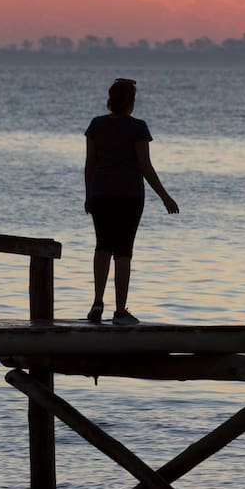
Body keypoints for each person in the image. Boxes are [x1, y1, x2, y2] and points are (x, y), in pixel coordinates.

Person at [84, 78, 179, 325]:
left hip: (100, 193)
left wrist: (88, 195)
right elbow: (145, 166)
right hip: (129, 196)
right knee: (123, 251)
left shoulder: (96, 125)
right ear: (131, 102)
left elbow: (90, 165)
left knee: (102, 246)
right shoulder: (138, 128)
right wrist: (165, 196)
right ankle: (119, 310)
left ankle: (97, 302)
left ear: (110, 101)